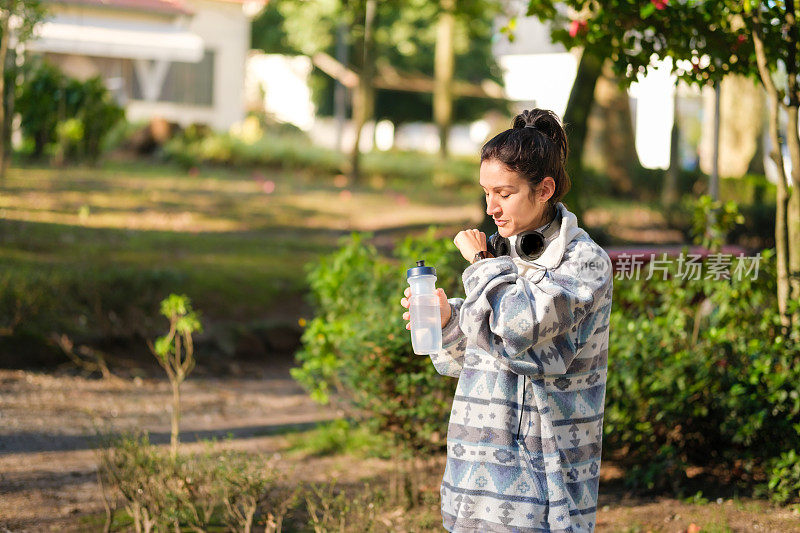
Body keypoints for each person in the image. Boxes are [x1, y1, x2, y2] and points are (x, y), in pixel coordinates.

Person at [400, 109, 613, 532]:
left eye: (504, 193)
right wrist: (447, 321)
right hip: (476, 466)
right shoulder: (504, 252)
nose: (490, 208)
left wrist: (481, 264)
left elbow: (521, 332)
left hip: (544, 475)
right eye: (486, 192)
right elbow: (475, 357)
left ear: (544, 189)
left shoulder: (583, 262)